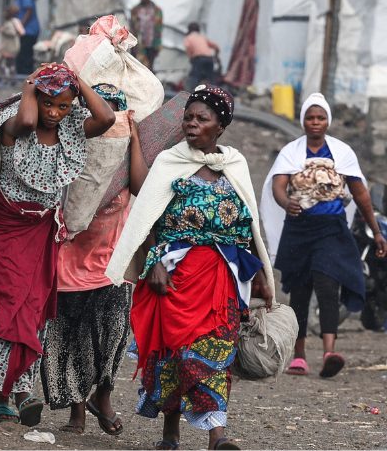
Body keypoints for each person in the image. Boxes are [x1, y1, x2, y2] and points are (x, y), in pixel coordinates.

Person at [106, 84, 275, 450]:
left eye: (203, 118)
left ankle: (218, 434)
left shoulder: (234, 165)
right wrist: (154, 264)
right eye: (189, 118)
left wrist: (261, 275)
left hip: (222, 275)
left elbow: (249, 225)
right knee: (175, 352)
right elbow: (147, 216)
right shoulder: (170, 162)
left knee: (215, 351)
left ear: (221, 126)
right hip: (176, 273)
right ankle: (170, 432)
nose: (192, 124)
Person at [0, 64, 115, 426]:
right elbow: (26, 119)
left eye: (64, 106)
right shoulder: (14, 125)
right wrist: (31, 86)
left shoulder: (71, 130)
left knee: (33, 310)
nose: (54, 113)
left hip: (40, 230)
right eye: (48, 104)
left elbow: (106, 117)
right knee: (9, 306)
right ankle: (14, 395)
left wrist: (75, 80)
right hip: (3, 229)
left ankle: (9, 397)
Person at [41, 83, 148, 436]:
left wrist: (132, 140)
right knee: (72, 339)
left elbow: (139, 187)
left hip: (113, 264)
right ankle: (77, 412)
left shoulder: (124, 155)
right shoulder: (71, 151)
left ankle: (102, 395)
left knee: (114, 337)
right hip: (69, 264)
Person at [261, 93, 387, 379]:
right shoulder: (291, 153)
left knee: (328, 285)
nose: (315, 122)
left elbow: (360, 193)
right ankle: (300, 355)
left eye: (320, 117)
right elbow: (278, 185)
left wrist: (377, 232)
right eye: (310, 117)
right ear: (303, 120)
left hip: (331, 228)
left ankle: (330, 352)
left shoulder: (342, 153)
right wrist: (285, 203)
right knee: (300, 289)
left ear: (327, 120)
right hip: (299, 229)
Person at [129, 0, 163, 71]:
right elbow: (132, 27)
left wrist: (158, 45)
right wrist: (132, 44)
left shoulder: (156, 10)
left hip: (152, 43)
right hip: (139, 44)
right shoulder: (135, 10)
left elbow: (159, 28)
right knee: (139, 67)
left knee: (150, 68)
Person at [13, 0, 40, 75]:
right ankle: (23, 76)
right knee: (24, 54)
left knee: (25, 55)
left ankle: (24, 77)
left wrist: (20, 26)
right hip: (28, 30)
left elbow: (29, 11)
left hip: (28, 31)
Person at [183, 22, 219, 91]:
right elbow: (216, 46)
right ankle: (214, 93)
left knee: (195, 76)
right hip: (209, 58)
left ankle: (191, 93)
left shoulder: (188, 38)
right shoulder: (202, 37)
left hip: (199, 58)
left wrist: (190, 57)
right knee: (210, 78)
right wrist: (217, 55)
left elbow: (188, 47)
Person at [0, 6, 22, 86]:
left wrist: (2, 30)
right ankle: (12, 80)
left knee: (3, 63)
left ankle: (5, 80)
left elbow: (12, 33)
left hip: (9, 48)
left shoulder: (10, 23)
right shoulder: (15, 22)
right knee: (11, 64)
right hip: (11, 47)